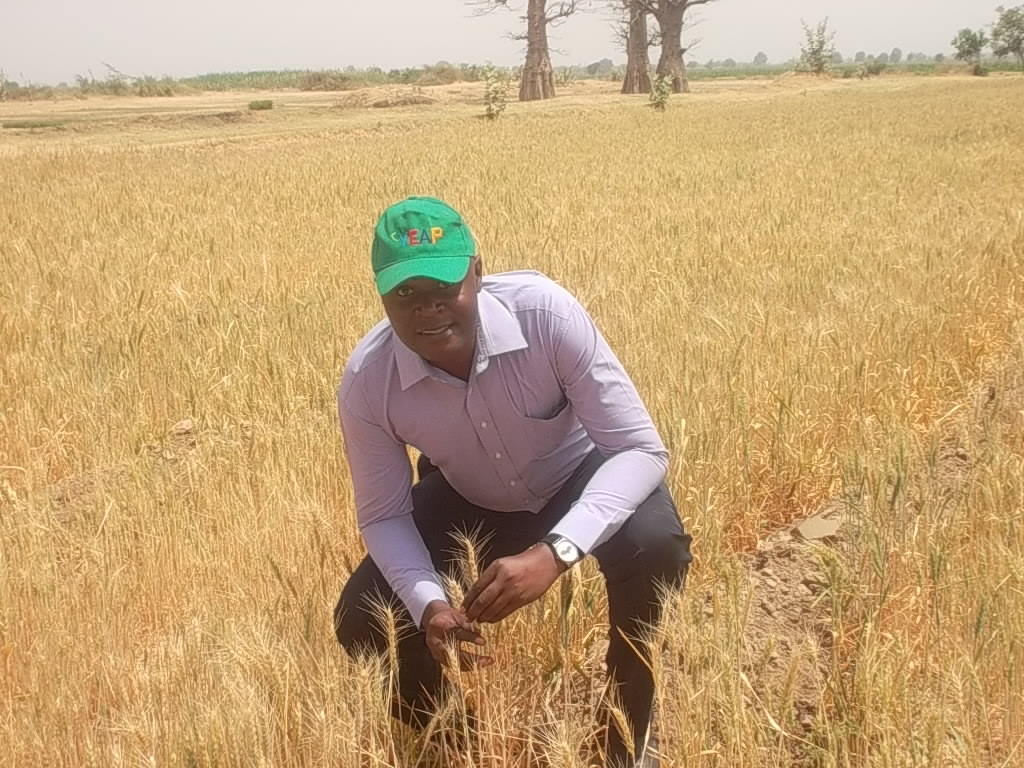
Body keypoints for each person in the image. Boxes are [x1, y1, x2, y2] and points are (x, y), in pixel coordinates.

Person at [333, 196, 692, 767]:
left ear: (478, 270)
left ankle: (628, 737)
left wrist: (556, 552)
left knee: (656, 546)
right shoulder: (367, 381)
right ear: (381, 295)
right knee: (361, 616)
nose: (427, 310)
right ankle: (454, 743)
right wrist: (428, 605)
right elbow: (383, 515)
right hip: (467, 494)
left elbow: (639, 448)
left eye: (443, 287)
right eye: (406, 294)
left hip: (578, 474)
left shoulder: (547, 316)